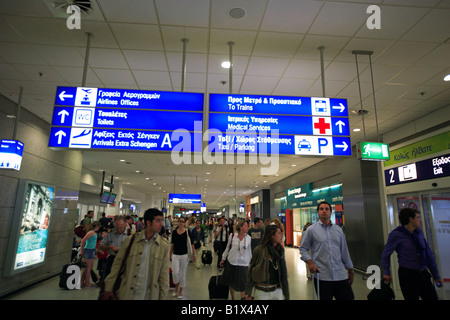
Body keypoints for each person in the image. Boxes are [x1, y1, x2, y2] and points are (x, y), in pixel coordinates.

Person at [102, 208, 170, 300]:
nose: (161, 224)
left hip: (149, 295)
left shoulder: (163, 246)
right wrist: (108, 288)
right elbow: (117, 266)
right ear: (148, 223)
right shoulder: (130, 241)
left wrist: (163, 297)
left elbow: (164, 276)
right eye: (158, 221)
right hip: (128, 294)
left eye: (161, 221)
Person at [381, 207, 442, 300]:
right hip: (408, 275)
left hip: (422, 273)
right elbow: (386, 254)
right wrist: (386, 272)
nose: (420, 220)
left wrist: (436, 275)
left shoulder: (419, 233)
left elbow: (428, 254)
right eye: (417, 217)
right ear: (411, 219)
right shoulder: (396, 235)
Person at [300, 201, 354, 300]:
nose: (324, 211)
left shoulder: (338, 230)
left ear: (330, 212)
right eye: (321, 209)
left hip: (340, 275)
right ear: (318, 212)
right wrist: (310, 263)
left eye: (327, 209)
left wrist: (350, 270)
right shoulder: (311, 230)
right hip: (322, 276)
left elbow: (344, 251)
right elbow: (303, 248)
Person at [245, 224, 289, 300]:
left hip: (277, 291)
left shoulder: (280, 251)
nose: (281, 235)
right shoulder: (259, 250)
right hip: (261, 292)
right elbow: (251, 270)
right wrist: (248, 292)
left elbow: (283, 274)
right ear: (272, 236)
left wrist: (286, 295)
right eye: (279, 233)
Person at [219, 220, 252, 300]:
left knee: (243, 283)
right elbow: (227, 248)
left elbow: (249, 251)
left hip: (243, 263)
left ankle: (243, 298)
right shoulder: (232, 236)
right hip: (232, 261)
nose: (247, 227)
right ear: (240, 227)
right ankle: (232, 297)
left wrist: (251, 262)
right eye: (246, 226)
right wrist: (223, 259)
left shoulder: (248, 238)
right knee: (231, 281)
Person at [170, 216, 196, 299]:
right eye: (179, 221)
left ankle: (180, 290)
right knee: (175, 272)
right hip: (175, 255)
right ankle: (176, 286)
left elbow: (192, 244)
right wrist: (169, 253)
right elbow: (172, 244)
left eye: (182, 221)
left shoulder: (188, 232)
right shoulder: (174, 232)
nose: (180, 223)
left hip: (185, 255)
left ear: (185, 223)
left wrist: (194, 255)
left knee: (182, 274)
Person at [98, 216, 128, 280]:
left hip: (125, 260)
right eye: (117, 228)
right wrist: (109, 247)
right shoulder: (110, 235)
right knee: (108, 279)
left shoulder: (130, 235)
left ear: (125, 225)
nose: (119, 230)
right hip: (112, 259)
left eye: (121, 227)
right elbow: (100, 246)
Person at [79, 221, 101, 288]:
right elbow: (83, 241)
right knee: (89, 267)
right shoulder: (91, 232)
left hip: (91, 250)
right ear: (97, 226)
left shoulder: (93, 232)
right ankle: (87, 283)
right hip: (89, 250)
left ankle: (82, 281)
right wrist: (81, 251)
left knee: (88, 267)